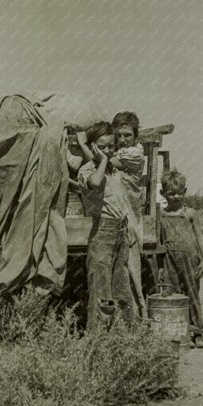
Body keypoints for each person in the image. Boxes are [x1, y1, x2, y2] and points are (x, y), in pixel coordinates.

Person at [76, 123, 140, 329]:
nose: (108, 151)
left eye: (111, 146)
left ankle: (123, 336)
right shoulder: (87, 170)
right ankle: (99, 339)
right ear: (93, 147)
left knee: (121, 288)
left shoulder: (114, 171)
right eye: (102, 147)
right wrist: (102, 159)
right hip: (102, 234)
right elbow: (95, 182)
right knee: (101, 291)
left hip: (120, 232)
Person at [158, 167, 203, 347]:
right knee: (172, 294)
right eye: (171, 194)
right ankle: (177, 333)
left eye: (179, 193)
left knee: (192, 293)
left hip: (190, 259)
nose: (176, 197)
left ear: (185, 192)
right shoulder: (161, 216)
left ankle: (198, 333)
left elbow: (200, 237)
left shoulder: (190, 213)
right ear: (163, 193)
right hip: (169, 259)